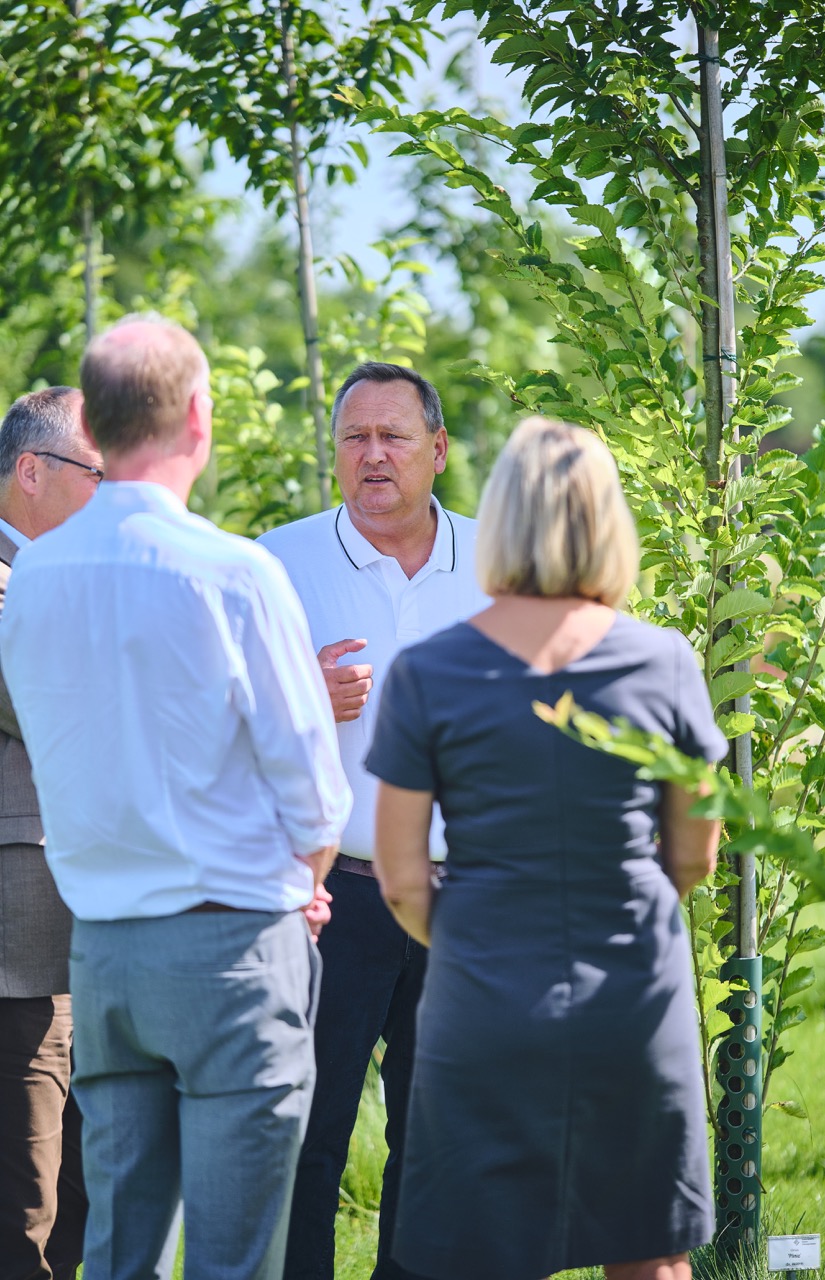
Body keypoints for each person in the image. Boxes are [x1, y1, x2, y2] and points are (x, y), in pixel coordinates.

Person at [0, 317, 352, 1280]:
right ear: (198, 418)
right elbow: (316, 794)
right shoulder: (236, 571)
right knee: (235, 1258)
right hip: (231, 944)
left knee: (120, 1250)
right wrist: (306, 888)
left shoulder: (28, 585)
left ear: (101, 427)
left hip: (104, 952)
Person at [366, 417, 725, 1280]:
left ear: (498, 519)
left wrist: (480, 938)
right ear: (609, 521)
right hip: (634, 994)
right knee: (648, 1251)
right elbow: (695, 857)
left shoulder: (428, 670)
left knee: (479, 1250)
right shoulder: (666, 662)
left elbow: (402, 879)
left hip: (482, 996)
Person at [259, 361, 488, 1280]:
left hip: (463, 899)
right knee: (305, 1139)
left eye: (394, 436)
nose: (373, 455)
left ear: (436, 449)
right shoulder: (278, 561)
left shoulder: (500, 560)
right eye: (355, 437)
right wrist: (299, 695)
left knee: (435, 1144)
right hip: (329, 898)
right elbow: (211, 718)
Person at [0, 387, 100, 1280]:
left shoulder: (80, 577)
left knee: (88, 1191)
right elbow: (39, 702)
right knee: (24, 1200)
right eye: (95, 473)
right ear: (31, 471)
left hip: (104, 937)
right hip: (18, 948)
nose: (112, 494)